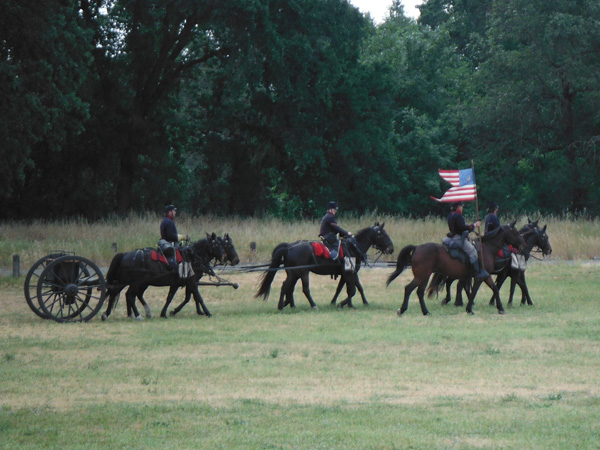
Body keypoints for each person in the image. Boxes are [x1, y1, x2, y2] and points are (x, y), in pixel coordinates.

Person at [447, 202, 488, 279]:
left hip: (452, 236)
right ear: (458, 207)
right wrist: (474, 225)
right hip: (458, 238)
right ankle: (476, 272)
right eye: (461, 207)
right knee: (473, 252)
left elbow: (459, 226)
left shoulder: (450, 215)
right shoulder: (458, 216)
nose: (462, 208)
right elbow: (462, 227)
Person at [159, 205, 188, 270]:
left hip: (165, 243)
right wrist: (183, 237)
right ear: (170, 212)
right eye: (174, 211)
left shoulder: (165, 220)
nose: (175, 212)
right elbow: (171, 235)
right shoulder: (169, 222)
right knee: (184, 256)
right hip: (170, 244)